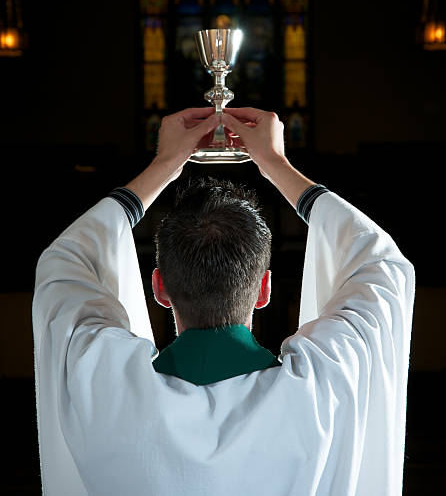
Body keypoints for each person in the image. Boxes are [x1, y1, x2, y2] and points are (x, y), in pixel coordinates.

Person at [32, 106, 415, 496]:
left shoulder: (103, 384)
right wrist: (274, 163)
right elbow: (383, 266)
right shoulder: (324, 389)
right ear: (264, 288)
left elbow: (61, 264)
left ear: (160, 287)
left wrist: (165, 164)